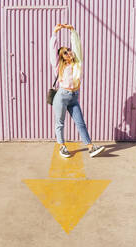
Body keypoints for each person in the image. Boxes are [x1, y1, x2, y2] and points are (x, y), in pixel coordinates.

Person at [49, 24, 105, 158]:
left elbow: (77, 46)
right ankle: (62, 147)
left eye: (68, 50)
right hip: (62, 96)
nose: (69, 52)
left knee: (80, 122)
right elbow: (52, 52)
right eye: (65, 53)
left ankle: (91, 147)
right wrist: (54, 34)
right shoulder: (59, 67)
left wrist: (72, 31)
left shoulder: (77, 63)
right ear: (62, 57)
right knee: (60, 123)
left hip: (74, 97)